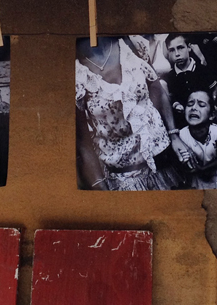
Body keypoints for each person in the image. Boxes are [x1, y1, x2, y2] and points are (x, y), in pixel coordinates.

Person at [75, 37, 181, 190]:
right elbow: (82, 141)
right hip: (125, 179)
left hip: (164, 163)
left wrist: (173, 134)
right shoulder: (76, 71)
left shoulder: (132, 44)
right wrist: (99, 183)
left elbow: (156, 87)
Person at [172, 89, 217, 189]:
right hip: (196, 177)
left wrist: (203, 169)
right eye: (190, 104)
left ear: (212, 115)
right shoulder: (182, 135)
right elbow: (178, 160)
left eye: (201, 105)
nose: (194, 108)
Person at [162, 34, 216, 116]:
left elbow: (214, 90)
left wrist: (212, 103)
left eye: (180, 48)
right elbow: (173, 97)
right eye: (172, 50)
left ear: (189, 48)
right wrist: (176, 105)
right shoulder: (171, 77)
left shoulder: (202, 69)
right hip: (184, 119)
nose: (177, 54)